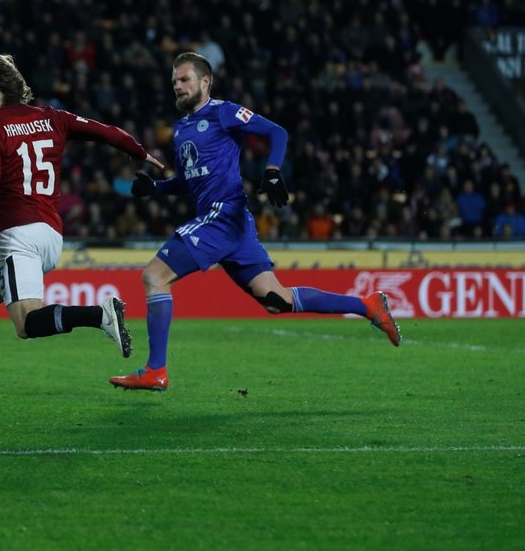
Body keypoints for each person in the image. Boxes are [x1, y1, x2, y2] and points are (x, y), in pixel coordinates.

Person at [109, 52, 401, 392]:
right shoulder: (180, 129)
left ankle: (155, 370)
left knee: (154, 276)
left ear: (205, 82)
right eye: (174, 81)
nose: (177, 86)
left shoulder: (223, 112)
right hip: (231, 223)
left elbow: (277, 132)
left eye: (184, 79)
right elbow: (190, 182)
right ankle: (367, 305)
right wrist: (155, 189)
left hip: (224, 214)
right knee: (275, 300)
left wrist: (273, 170)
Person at [0, 54, 164, 420]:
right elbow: (103, 130)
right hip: (50, 235)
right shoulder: (52, 117)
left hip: (19, 237)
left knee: (26, 325)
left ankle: (98, 315)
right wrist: (139, 152)